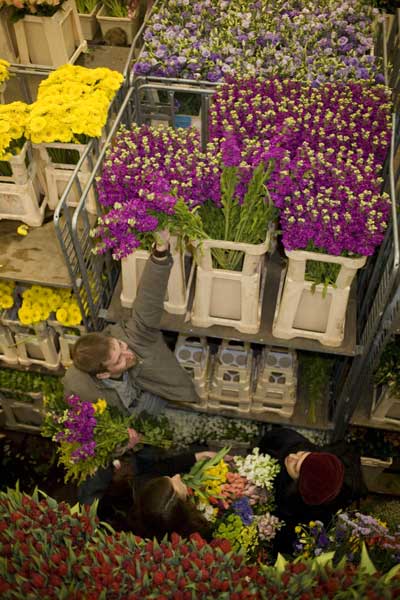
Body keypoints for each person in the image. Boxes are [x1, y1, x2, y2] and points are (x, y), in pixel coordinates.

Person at [62, 230, 200, 504]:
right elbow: (88, 429)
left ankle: (145, 485)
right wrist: (117, 445)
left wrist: (160, 253)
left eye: (120, 346)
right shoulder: (76, 385)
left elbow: (147, 299)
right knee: (95, 472)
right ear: (103, 373)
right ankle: (86, 518)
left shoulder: (133, 337)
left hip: (146, 405)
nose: (128, 353)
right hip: (118, 425)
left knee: (148, 454)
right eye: (119, 360)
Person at [257, 427, 368, 555]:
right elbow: (275, 437)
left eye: (295, 467)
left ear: (297, 485)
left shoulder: (295, 510)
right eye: (302, 455)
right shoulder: (304, 452)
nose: (292, 456)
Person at [127, 449, 215, 540]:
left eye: (169, 478)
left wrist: (198, 456)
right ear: (182, 507)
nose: (177, 476)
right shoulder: (197, 534)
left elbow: (164, 467)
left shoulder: (146, 486)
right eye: (176, 482)